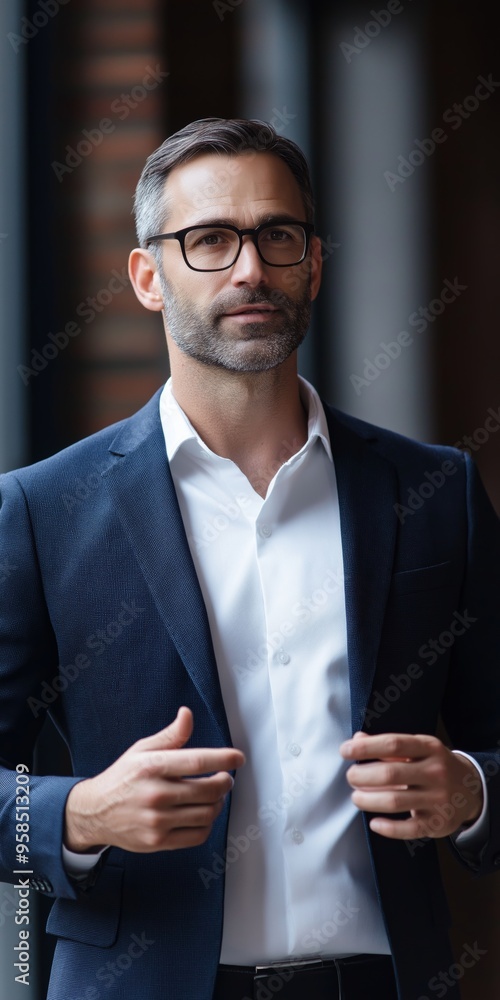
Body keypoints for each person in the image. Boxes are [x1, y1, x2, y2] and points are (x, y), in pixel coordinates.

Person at [0, 118, 499, 1000]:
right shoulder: (43, 510)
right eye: (210, 240)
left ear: (315, 263)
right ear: (148, 277)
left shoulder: (435, 493)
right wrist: (76, 814)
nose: (249, 269)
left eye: (279, 236)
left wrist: (472, 793)